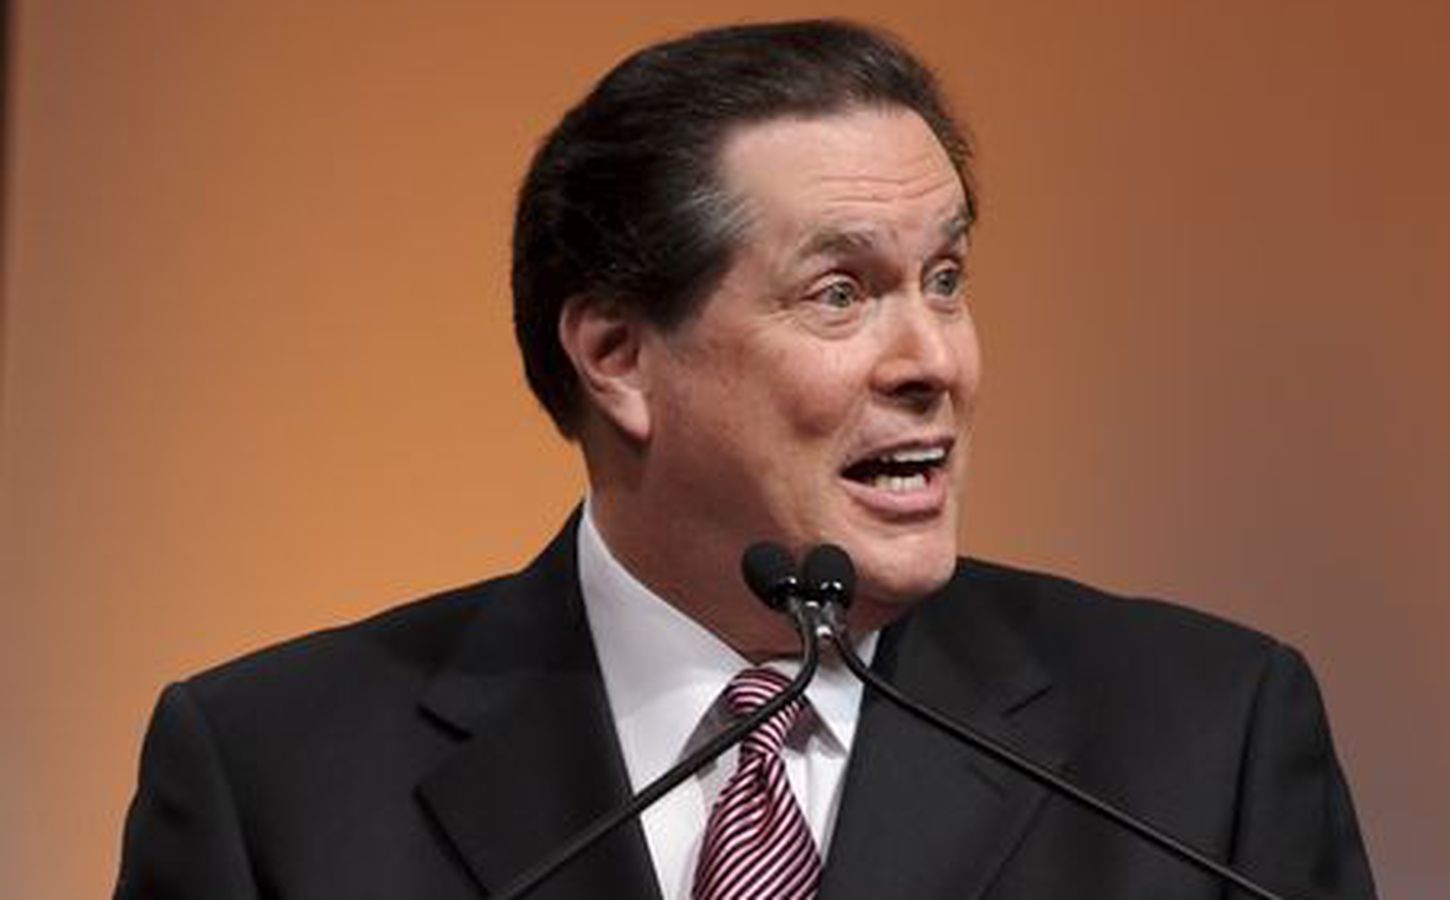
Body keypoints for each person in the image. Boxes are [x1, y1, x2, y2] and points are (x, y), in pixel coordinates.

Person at [116, 20, 1381, 899]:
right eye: (841, 293)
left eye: (945, 280)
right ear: (617, 357)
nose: (934, 359)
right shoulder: (275, 775)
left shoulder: (1198, 742)